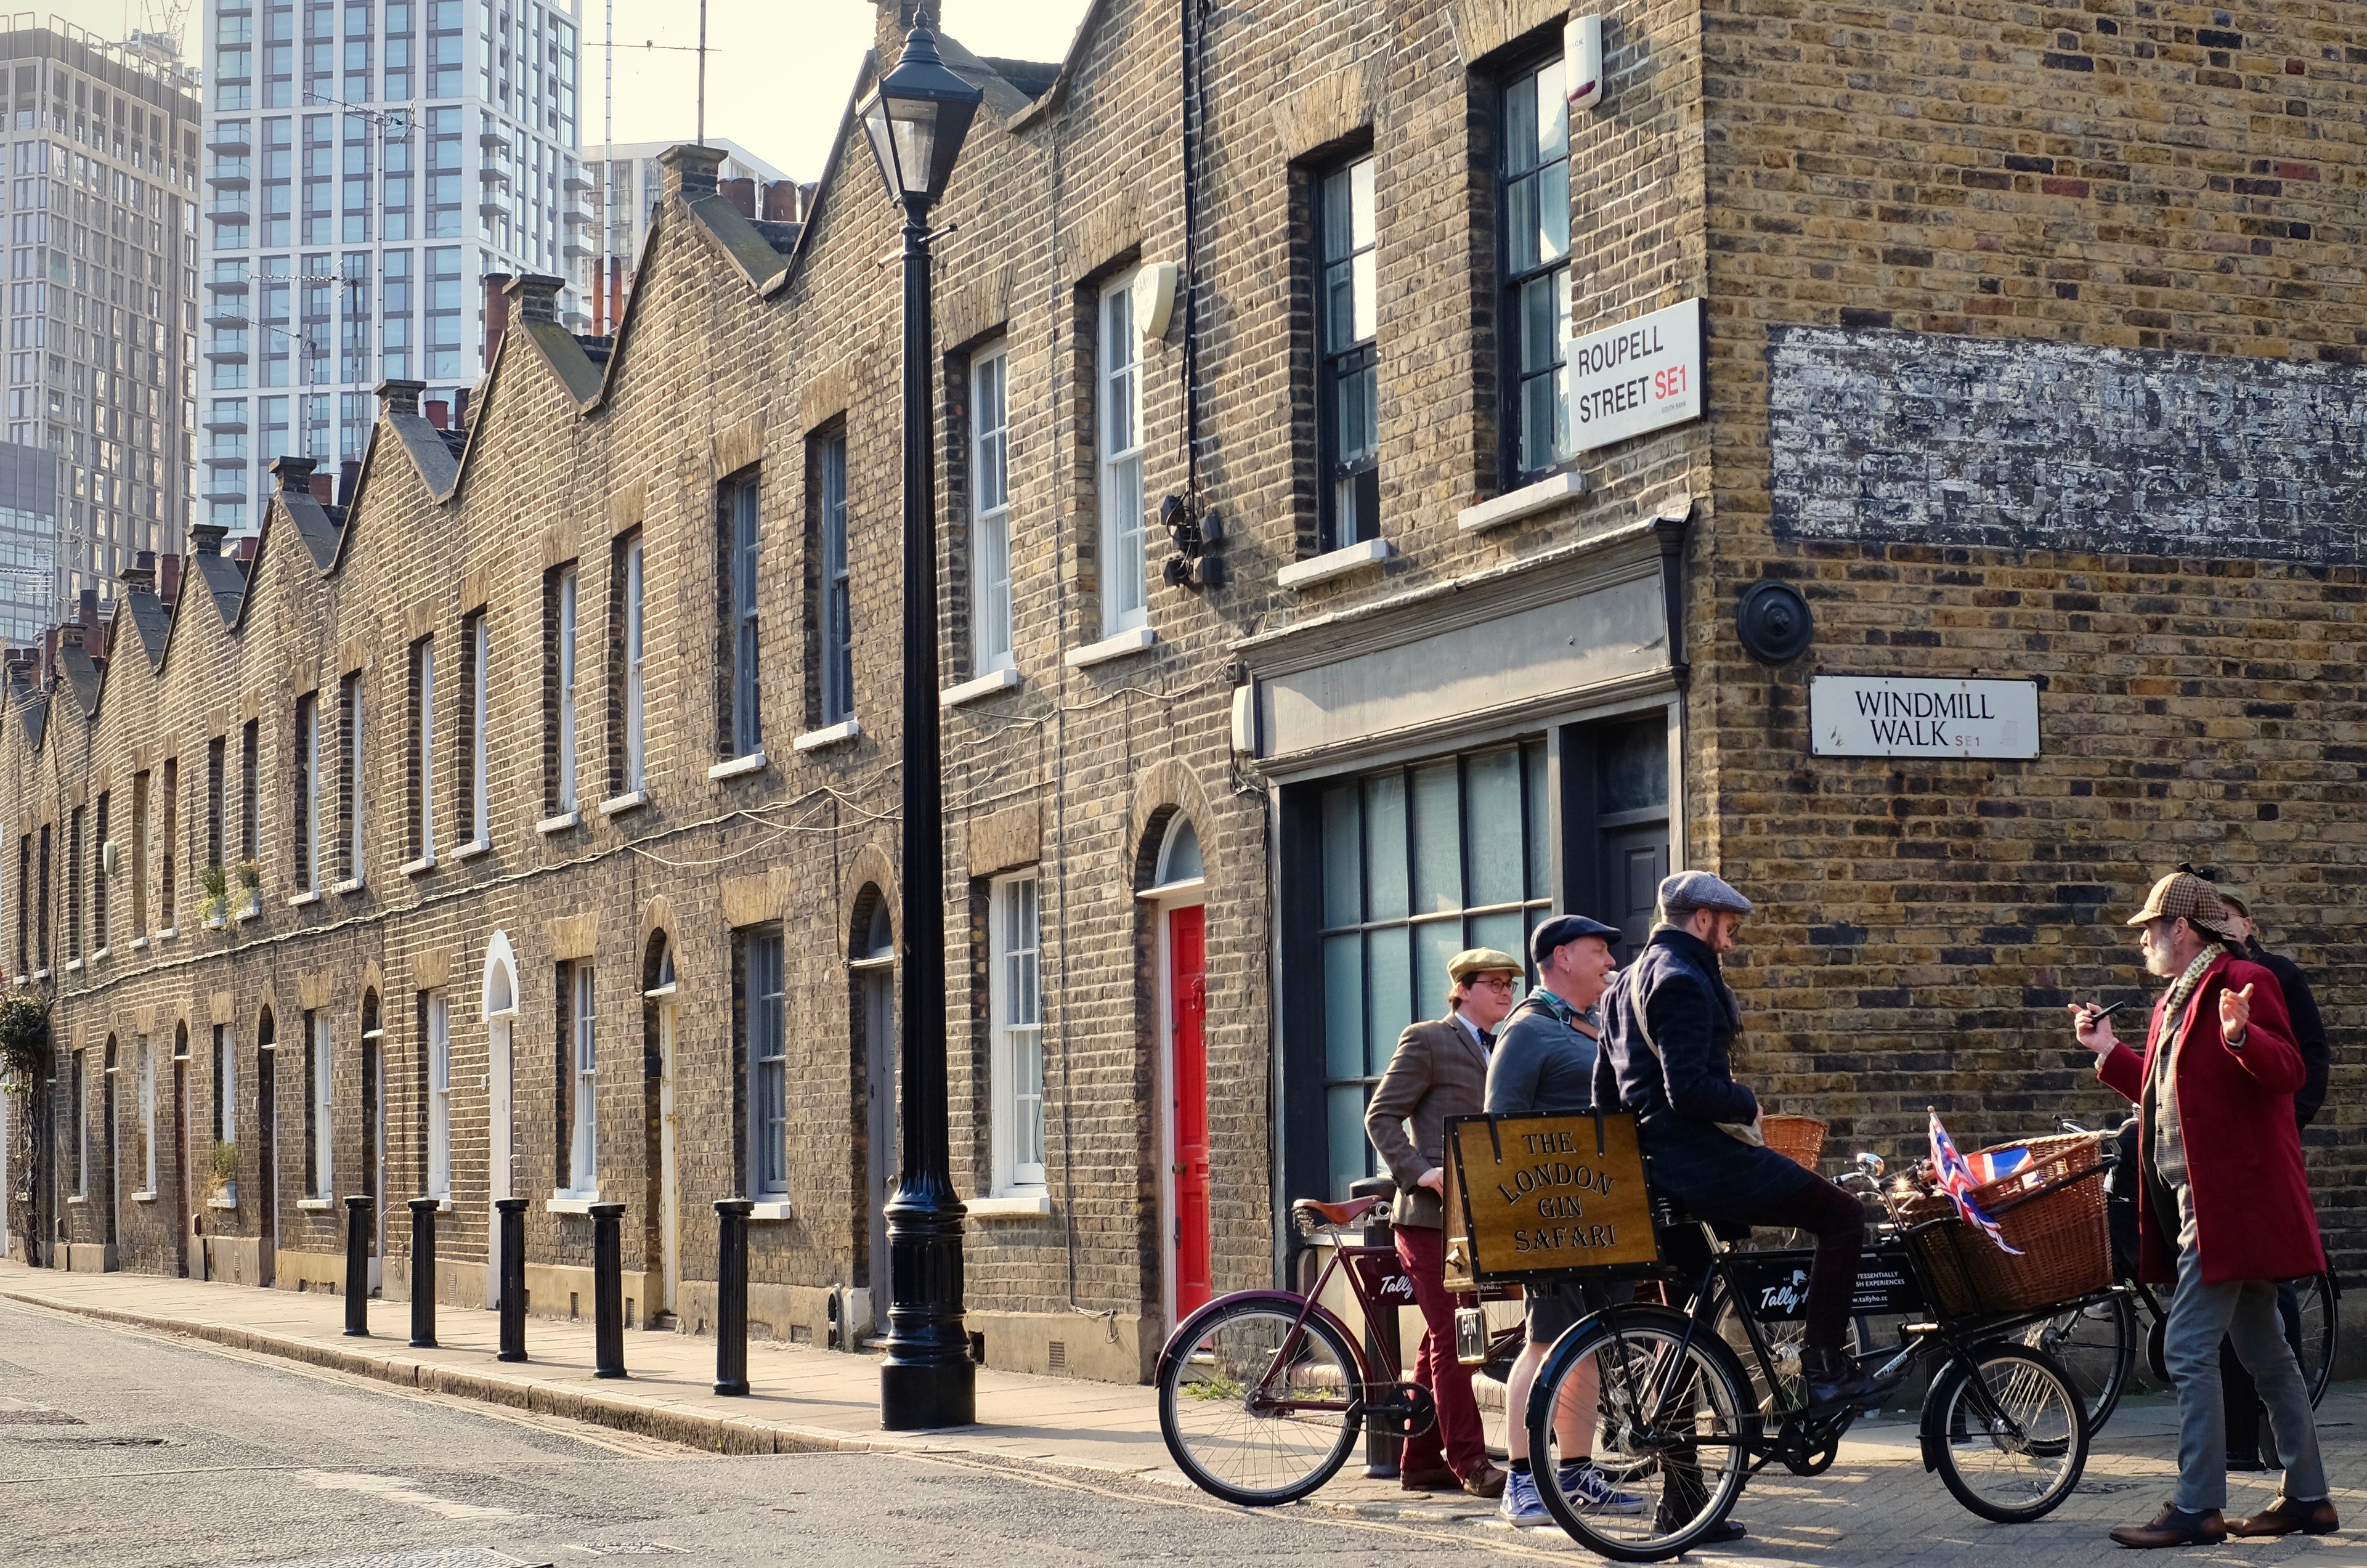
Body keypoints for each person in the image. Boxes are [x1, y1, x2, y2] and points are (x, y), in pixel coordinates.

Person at [2069, 870, 2337, 1547]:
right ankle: (2308, 1498)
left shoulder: (2244, 981)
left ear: (2181, 928)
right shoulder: (2175, 999)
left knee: (2187, 1348)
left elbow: (2289, 1070)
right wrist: (2108, 1052)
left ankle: (2197, 1506)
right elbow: (2166, 1091)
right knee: (2266, 1351)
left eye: (2148, 929)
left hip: (2230, 1204)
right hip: (2199, 1201)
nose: (2142, 941)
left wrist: (2242, 1036)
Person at [1594, 871, 1904, 1410]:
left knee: (1685, 1322)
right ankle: (1826, 1370)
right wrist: (1745, 1103)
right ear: (1703, 918)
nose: (1731, 941)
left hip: (1655, 1172)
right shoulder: (1682, 979)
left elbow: (1603, 1095)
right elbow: (1689, 1090)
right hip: (1703, 1163)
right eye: (1729, 927)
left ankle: (1677, 1463)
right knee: (1843, 1215)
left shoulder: (1623, 985)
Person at [1484, 914, 1649, 1528]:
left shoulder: (1589, 1025)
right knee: (1544, 1340)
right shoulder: (1527, 1028)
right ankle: (1522, 1482)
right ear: (1561, 958)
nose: (1610, 960)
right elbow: (1497, 1126)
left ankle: (1576, 1473)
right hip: (1548, 1217)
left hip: (1602, 1212)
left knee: (1588, 1342)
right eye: (1598, 949)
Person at [1363, 948, 1517, 1499]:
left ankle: (1422, 1460)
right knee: (1456, 1337)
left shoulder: (1503, 1045)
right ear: (1463, 989)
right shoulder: (1428, 1039)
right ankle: (1471, 1461)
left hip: (1476, 1220)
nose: (1505, 991)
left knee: (1441, 1339)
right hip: (1428, 1221)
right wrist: (1420, 1172)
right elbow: (1380, 1115)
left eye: (1510, 983)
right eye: (1494, 983)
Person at [2208, 877, 2331, 1474]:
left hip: (2262, 1156)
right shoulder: (2201, 984)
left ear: (2247, 923)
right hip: (2220, 1167)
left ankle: (2272, 1449)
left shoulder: (2272, 974)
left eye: (2229, 914)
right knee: (2235, 1307)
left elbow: (2306, 1058)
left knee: (2269, 1296)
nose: (2222, 924)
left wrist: (2287, 1122)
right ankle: (2238, 1443)